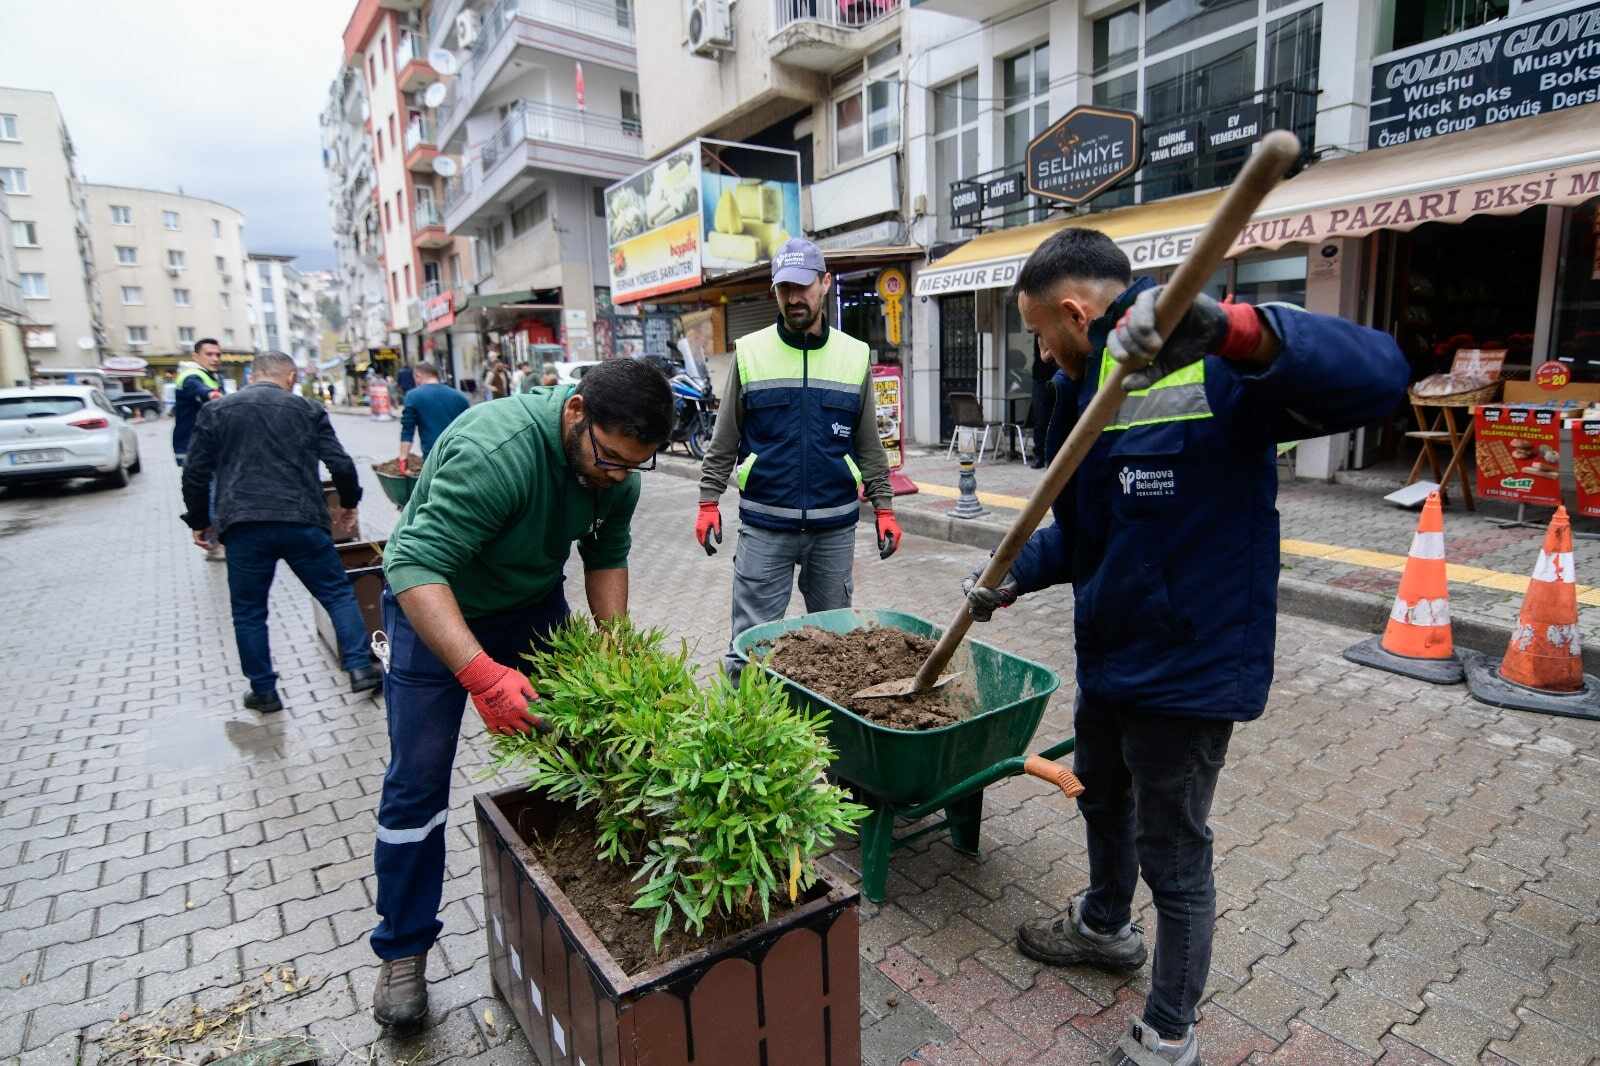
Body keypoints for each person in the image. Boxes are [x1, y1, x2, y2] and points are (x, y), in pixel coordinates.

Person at [960, 229, 1406, 1066]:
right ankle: (1103, 926)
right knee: (1099, 795)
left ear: (1073, 311)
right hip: (1116, 655)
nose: (1042, 352)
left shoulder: (1211, 363)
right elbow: (1093, 533)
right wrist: (1011, 573)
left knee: (1174, 849)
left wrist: (1240, 330)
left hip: (1189, 670)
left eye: (1039, 332)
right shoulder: (1092, 392)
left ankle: (1169, 1032)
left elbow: (1382, 376)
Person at [368, 358, 673, 1029]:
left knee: (588, 740)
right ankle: (403, 948)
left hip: (529, 604)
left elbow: (607, 554)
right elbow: (415, 564)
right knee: (417, 780)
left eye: (633, 465)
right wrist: (481, 674)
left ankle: (600, 877)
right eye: (611, 459)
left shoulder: (614, 469)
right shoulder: (494, 452)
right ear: (575, 413)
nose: (618, 476)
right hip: (434, 608)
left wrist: (616, 651)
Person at [696, 238, 902, 677]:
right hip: (764, 527)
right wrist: (708, 501)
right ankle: (749, 740)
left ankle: (826, 738)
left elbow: (869, 443)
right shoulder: (750, 352)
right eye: (784, 288)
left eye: (803, 287)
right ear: (775, 291)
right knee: (749, 649)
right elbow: (725, 437)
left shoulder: (853, 355)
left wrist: (884, 508)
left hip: (834, 529)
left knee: (836, 650)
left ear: (825, 284)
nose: (794, 298)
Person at [180, 351, 382, 714]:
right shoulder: (306, 409)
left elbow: (195, 473)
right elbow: (340, 463)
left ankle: (264, 691)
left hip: (243, 525)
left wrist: (199, 521)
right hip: (302, 519)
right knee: (336, 593)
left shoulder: (217, 411)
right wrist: (349, 503)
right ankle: (360, 668)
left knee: (249, 611)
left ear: (252, 375)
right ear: (289, 377)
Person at [396, 362, 469, 469]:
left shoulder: (413, 396)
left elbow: (407, 431)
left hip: (433, 458)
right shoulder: (460, 397)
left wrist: (403, 459)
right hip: (460, 455)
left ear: (418, 376)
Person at [1027, 336, 1055, 469]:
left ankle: (1052, 455)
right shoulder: (1040, 332)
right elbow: (1045, 356)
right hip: (1041, 377)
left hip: (1058, 376)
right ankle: (1039, 455)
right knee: (1040, 418)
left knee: (1056, 417)